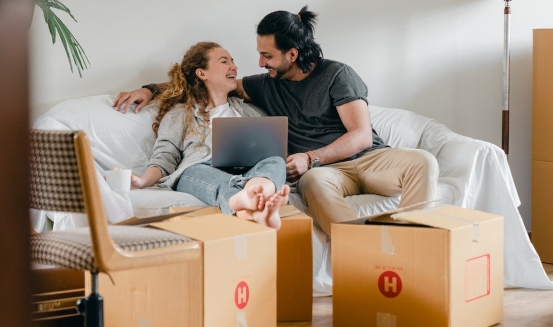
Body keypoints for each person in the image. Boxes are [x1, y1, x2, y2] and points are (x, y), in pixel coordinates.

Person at [113, 7, 438, 235]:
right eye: (258, 54)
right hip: (320, 175)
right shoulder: (259, 86)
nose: (257, 62)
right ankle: (360, 248)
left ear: (292, 54)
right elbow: (194, 89)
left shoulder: (336, 75)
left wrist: (309, 158)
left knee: (423, 162)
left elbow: (361, 136)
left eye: (266, 56)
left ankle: (413, 243)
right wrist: (150, 88)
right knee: (311, 184)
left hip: (367, 160)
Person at [128, 41, 290, 229]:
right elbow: (165, 156)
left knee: (275, 160)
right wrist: (142, 181)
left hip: (246, 172)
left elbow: (270, 151)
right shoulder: (180, 113)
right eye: (224, 61)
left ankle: (252, 202)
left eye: (232, 61)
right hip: (199, 171)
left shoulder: (249, 112)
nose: (234, 67)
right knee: (193, 171)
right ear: (201, 73)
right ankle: (250, 202)